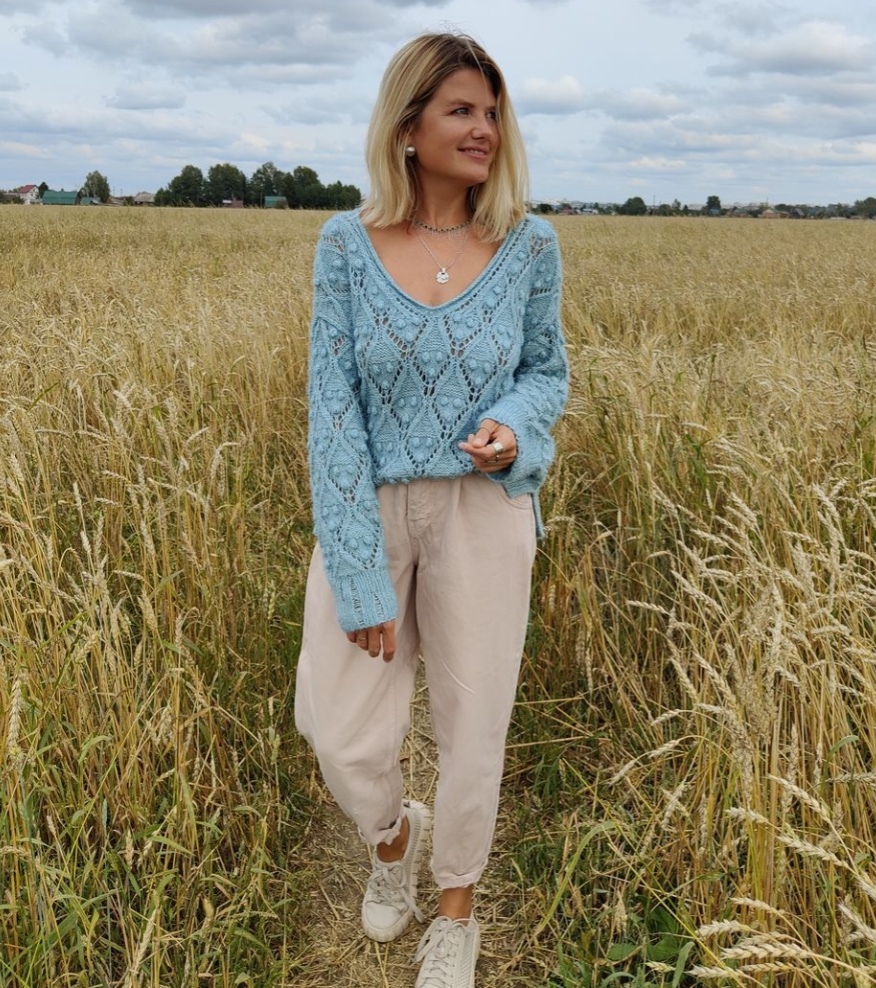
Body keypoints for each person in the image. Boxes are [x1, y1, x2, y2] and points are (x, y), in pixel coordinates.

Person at [294, 31, 568, 988]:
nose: (484, 128)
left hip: (482, 515)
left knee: (473, 721)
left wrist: (513, 427)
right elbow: (332, 409)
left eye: (492, 112)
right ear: (408, 126)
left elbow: (547, 373)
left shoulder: (530, 244)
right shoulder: (345, 244)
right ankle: (391, 842)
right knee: (339, 730)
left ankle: (455, 910)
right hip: (369, 508)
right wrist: (358, 566)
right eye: (461, 110)